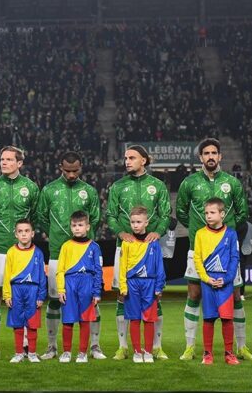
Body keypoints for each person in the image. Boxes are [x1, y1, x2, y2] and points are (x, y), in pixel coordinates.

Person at [176, 139, 252, 361]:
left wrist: (223, 232)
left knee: (235, 296)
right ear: (200, 157)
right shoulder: (189, 183)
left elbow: (242, 213)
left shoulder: (232, 183)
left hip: (226, 250)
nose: (210, 156)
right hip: (198, 248)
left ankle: (241, 347)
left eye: (214, 153)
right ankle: (190, 347)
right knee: (194, 294)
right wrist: (199, 230)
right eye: (206, 153)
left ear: (220, 156)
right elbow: (181, 212)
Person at [35, 151, 103, 360]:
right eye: (67, 171)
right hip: (58, 253)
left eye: (75, 170)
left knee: (91, 301)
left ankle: (94, 346)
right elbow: (41, 217)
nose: (72, 175)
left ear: (81, 167)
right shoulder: (49, 190)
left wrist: (83, 241)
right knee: (56, 300)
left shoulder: (89, 191)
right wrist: (56, 234)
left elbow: (96, 218)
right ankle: (52, 346)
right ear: (60, 168)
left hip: (86, 254)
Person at [106, 145, 171, 360]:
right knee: (122, 295)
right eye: (126, 158)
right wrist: (121, 232)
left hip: (150, 248)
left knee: (154, 297)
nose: (127, 161)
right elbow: (110, 215)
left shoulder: (157, 185)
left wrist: (158, 232)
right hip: (125, 247)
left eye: (132, 158)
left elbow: (165, 214)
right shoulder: (117, 186)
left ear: (143, 160)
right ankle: (123, 346)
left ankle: (156, 347)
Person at [0, 146, 39, 359]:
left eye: (9, 159)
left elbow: (35, 216)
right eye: (2, 159)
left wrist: (23, 239)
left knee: (24, 296)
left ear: (19, 163)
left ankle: (25, 345)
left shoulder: (30, 187)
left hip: (23, 251)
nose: (4, 162)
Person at [193, 198, 240, 366]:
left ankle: (229, 354)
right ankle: (207, 354)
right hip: (208, 282)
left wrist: (226, 279)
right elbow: (197, 259)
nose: (208, 215)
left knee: (227, 319)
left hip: (225, 282)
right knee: (209, 318)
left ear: (222, 214)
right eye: (206, 213)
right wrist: (206, 278)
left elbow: (235, 258)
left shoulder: (231, 234)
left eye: (212, 212)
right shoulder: (200, 234)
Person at [120, 206, 165, 364]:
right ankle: (137, 352)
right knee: (134, 319)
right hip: (132, 284)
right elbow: (122, 267)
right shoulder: (127, 243)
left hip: (149, 284)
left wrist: (159, 286)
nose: (135, 225)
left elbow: (159, 266)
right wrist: (123, 286)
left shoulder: (153, 243)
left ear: (146, 222)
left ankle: (148, 352)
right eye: (133, 222)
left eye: (139, 222)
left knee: (149, 320)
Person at [56, 211, 103, 364]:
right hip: (69, 283)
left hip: (87, 283)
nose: (77, 228)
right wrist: (61, 289)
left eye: (80, 225)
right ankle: (66, 352)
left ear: (87, 227)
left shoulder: (94, 247)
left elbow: (98, 271)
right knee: (67, 320)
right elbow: (60, 270)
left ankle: (82, 353)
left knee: (84, 320)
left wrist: (96, 292)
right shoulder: (66, 246)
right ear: (71, 227)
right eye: (74, 225)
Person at [3, 220, 46, 364]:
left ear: (32, 234)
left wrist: (41, 295)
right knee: (17, 323)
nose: (23, 234)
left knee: (32, 323)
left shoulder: (38, 253)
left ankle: (32, 353)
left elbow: (42, 276)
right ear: (16, 234)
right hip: (16, 290)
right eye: (20, 231)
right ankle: (19, 353)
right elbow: (7, 275)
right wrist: (7, 294)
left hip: (33, 290)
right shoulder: (11, 252)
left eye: (27, 231)